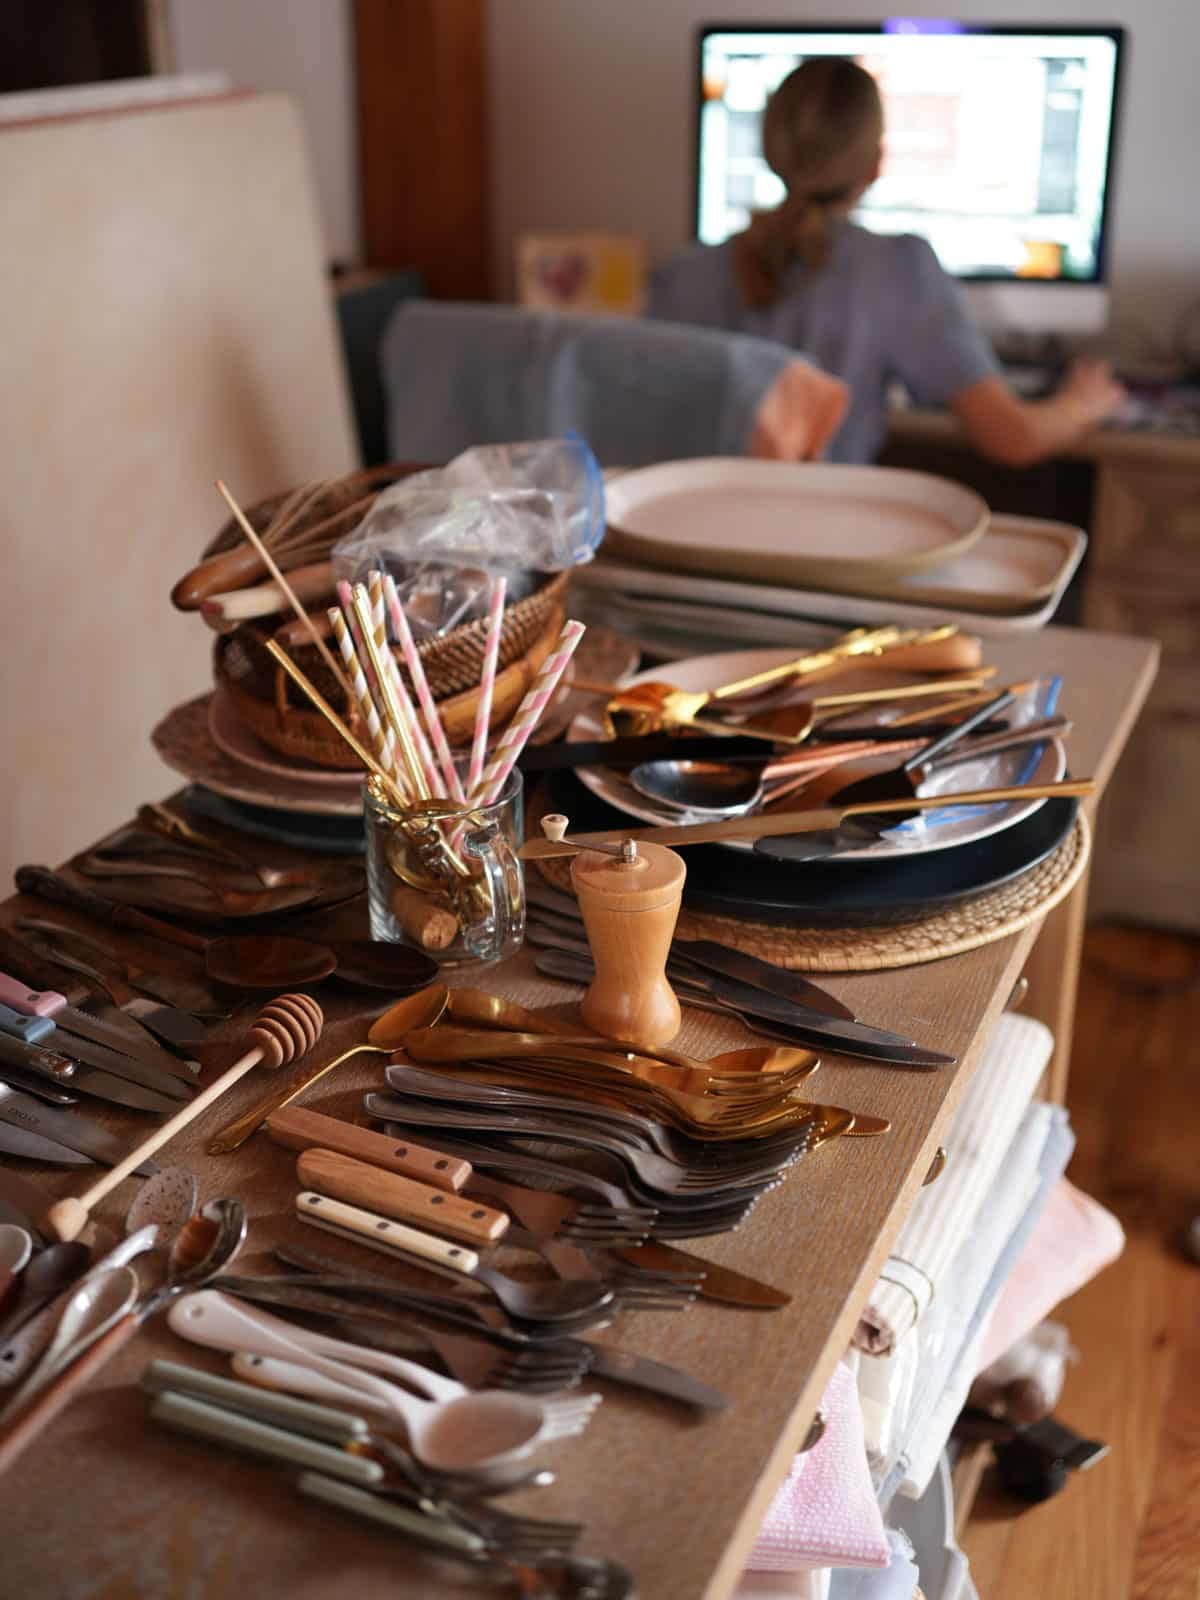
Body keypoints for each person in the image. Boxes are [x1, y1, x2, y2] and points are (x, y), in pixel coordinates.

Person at [647, 57, 1125, 466]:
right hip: (814, 553)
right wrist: (1080, 404)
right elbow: (1013, 438)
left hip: (690, 547)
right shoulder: (899, 269)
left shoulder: (681, 273)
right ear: (876, 163)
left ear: (772, 153)